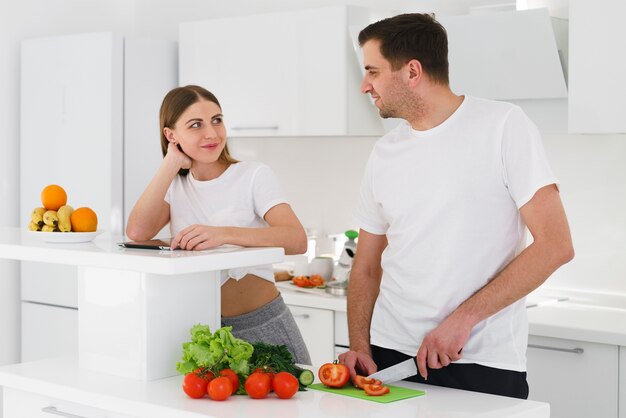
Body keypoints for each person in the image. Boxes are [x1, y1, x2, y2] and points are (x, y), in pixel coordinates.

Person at [338, 13, 574, 399]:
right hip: (388, 355)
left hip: (478, 360)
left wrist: (462, 320)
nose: (365, 85)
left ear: (412, 71)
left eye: (373, 71)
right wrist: (360, 346)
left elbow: (556, 245)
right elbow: (365, 267)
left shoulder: (503, 127)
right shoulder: (384, 153)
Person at [126, 85, 311, 364]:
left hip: (261, 324)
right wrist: (170, 163)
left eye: (217, 120)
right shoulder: (175, 186)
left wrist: (221, 234)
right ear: (171, 135)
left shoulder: (252, 175)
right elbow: (137, 232)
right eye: (196, 125)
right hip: (204, 334)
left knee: (295, 407)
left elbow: (296, 240)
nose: (211, 133)